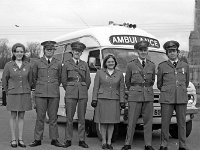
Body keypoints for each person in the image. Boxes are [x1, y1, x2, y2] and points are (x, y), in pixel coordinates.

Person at [121, 41, 156, 150]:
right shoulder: (131, 64)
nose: (143, 52)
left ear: (147, 51)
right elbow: (127, 81)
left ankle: (148, 144)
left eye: (145, 50)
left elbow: (152, 81)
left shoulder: (152, 64)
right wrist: (134, 90)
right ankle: (128, 143)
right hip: (135, 96)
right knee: (131, 121)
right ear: (137, 51)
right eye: (141, 50)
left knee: (148, 121)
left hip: (148, 96)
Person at [29, 41, 63, 147]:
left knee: (53, 118)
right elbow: (33, 77)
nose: (50, 51)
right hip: (40, 93)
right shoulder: (37, 63)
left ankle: (54, 139)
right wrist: (38, 87)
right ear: (44, 50)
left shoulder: (58, 63)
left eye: (51, 49)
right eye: (48, 49)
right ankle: (37, 139)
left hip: (53, 93)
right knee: (40, 117)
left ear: (54, 51)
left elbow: (60, 77)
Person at [157, 40, 189, 150]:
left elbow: (186, 82)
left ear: (177, 52)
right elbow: (159, 84)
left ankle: (182, 145)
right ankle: (164, 144)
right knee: (165, 122)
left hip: (181, 97)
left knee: (182, 123)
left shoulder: (185, 65)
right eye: (169, 51)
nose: (172, 53)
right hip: (167, 98)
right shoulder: (162, 66)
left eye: (174, 51)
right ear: (167, 53)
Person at [91, 54, 125, 150]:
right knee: (103, 122)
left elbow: (121, 89)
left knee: (111, 122)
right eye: (109, 61)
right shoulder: (100, 73)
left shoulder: (119, 73)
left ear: (115, 63)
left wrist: (122, 101)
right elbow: (96, 87)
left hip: (114, 100)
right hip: (102, 100)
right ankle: (103, 141)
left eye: (112, 62)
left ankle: (109, 142)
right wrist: (94, 99)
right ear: (105, 63)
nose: (111, 63)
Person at [2, 43, 33, 148]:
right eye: (17, 51)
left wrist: (28, 90)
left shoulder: (28, 65)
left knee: (21, 116)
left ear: (24, 53)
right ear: (13, 52)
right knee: (13, 115)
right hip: (12, 93)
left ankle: (20, 139)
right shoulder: (8, 65)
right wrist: (8, 92)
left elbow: (31, 80)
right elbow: (4, 81)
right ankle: (13, 139)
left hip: (24, 93)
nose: (19, 53)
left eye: (21, 51)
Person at [61, 41, 91, 148]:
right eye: (75, 50)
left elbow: (88, 81)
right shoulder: (66, 64)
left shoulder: (84, 64)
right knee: (69, 118)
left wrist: (82, 88)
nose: (77, 52)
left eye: (79, 51)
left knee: (82, 118)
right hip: (70, 92)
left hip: (82, 93)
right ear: (72, 51)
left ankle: (81, 140)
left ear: (81, 52)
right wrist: (69, 88)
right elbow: (64, 80)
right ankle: (68, 139)